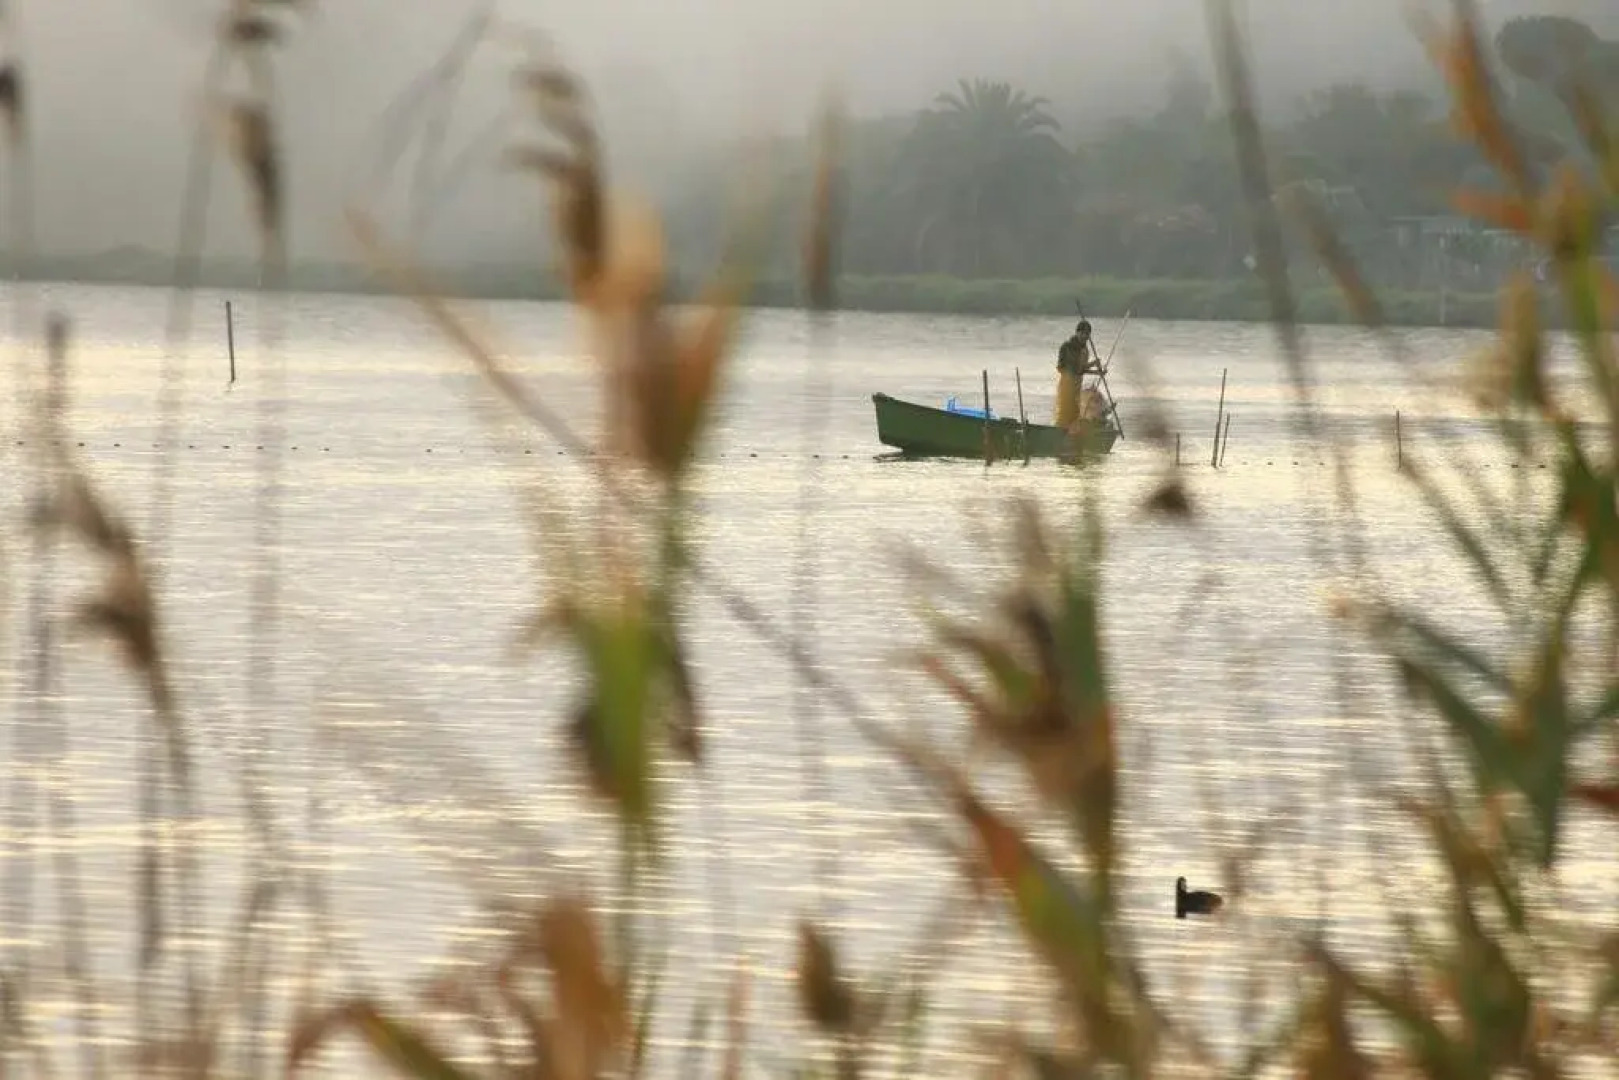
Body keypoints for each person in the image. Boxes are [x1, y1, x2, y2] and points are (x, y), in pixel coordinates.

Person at [1054, 318, 1100, 428]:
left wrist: (1097, 372)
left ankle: (1072, 439)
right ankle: (1058, 436)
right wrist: (1091, 365)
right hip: (1066, 386)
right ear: (1077, 332)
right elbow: (1061, 367)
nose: (1085, 336)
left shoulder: (1085, 350)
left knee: (1074, 415)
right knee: (1063, 414)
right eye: (1083, 333)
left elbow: (1081, 370)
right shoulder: (1067, 347)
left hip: (1076, 387)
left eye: (1087, 334)